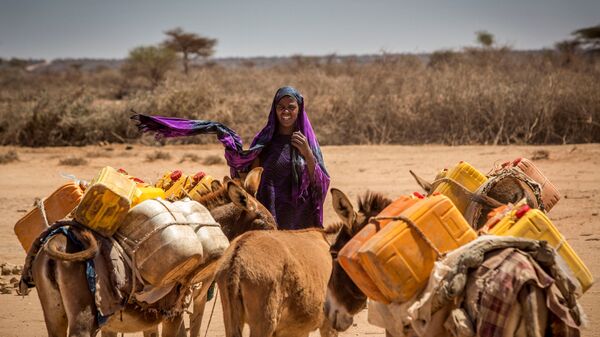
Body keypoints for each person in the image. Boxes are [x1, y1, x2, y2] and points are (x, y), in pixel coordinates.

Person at [131, 86, 330, 229]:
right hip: (270, 212)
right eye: (281, 106)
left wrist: (308, 155)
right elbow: (248, 173)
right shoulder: (265, 140)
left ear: (299, 109)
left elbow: (321, 184)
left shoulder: (307, 142)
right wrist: (234, 154)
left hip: (299, 217)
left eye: (291, 107)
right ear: (274, 109)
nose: (286, 111)